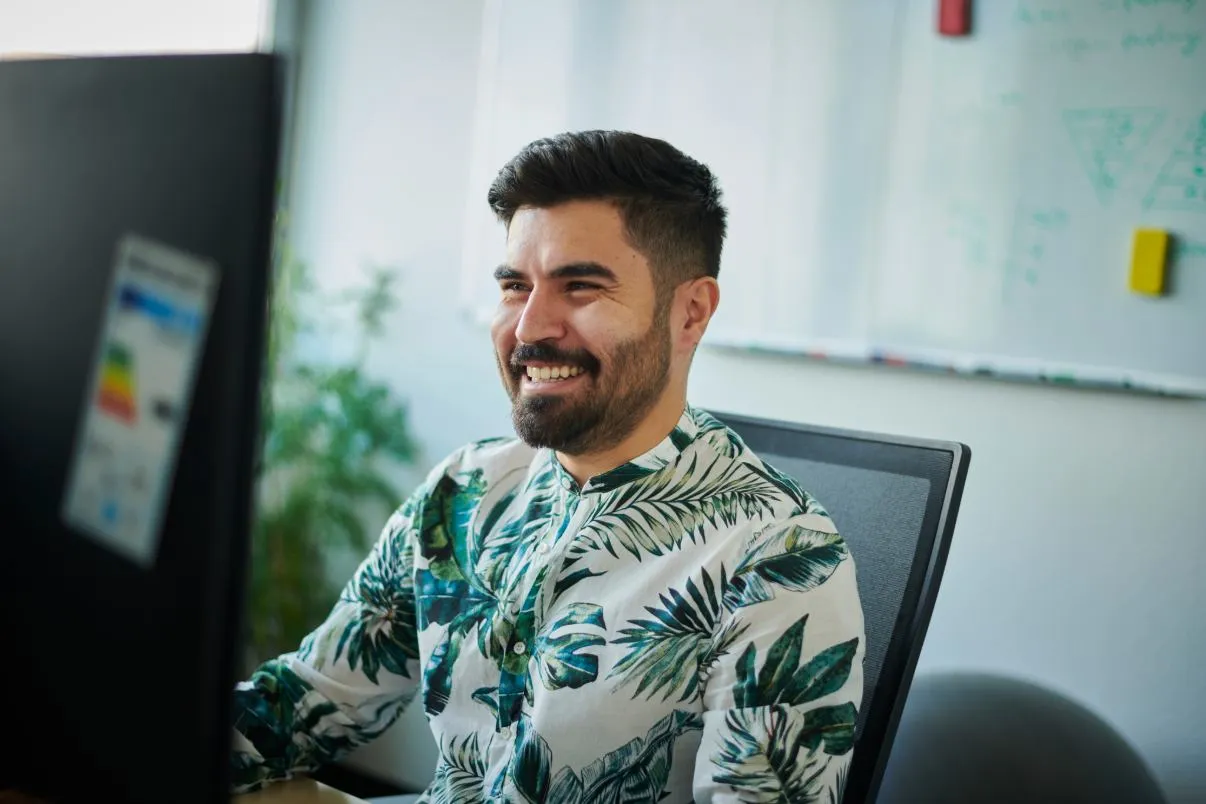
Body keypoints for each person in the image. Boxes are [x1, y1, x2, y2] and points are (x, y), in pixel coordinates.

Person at [232, 130, 865, 803]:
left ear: (691, 313)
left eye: (581, 287)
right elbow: (303, 705)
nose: (530, 328)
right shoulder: (465, 491)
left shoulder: (776, 556)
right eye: (514, 286)